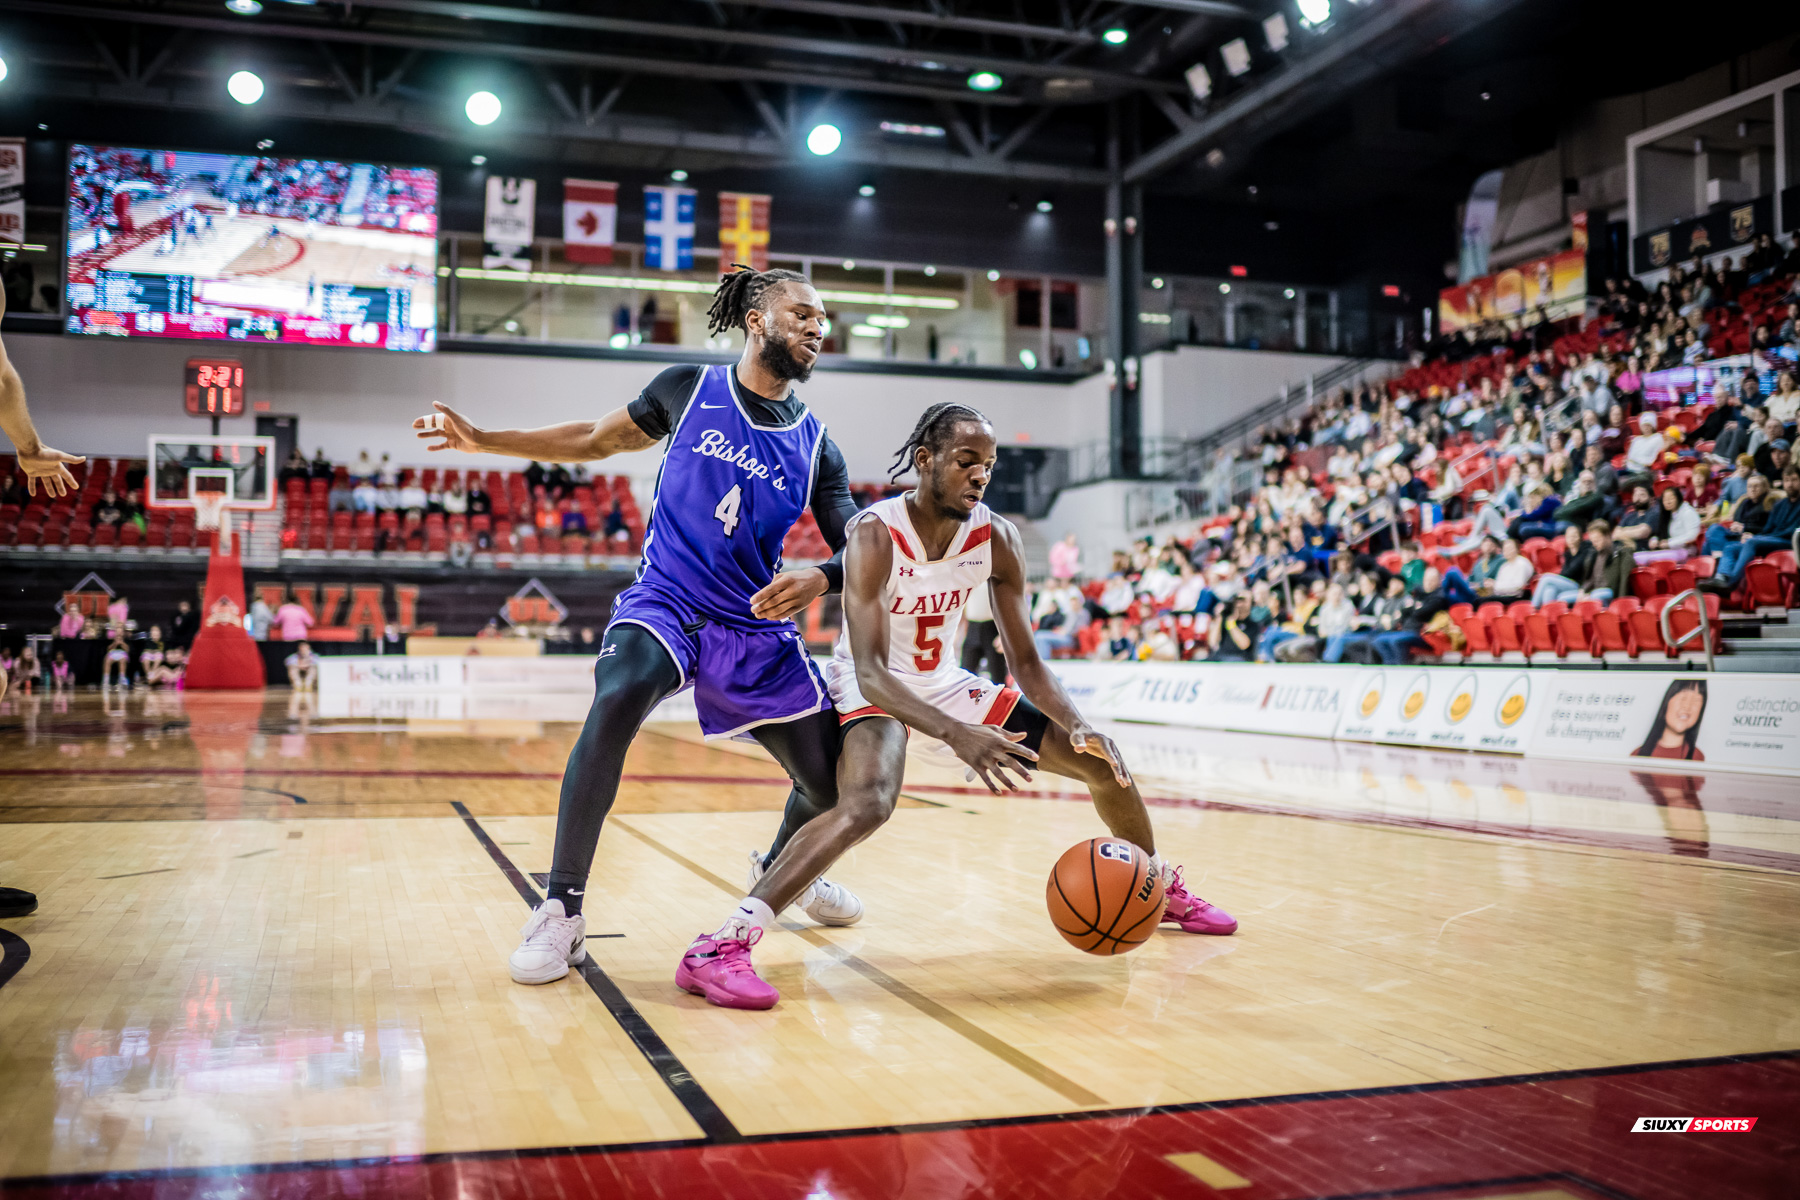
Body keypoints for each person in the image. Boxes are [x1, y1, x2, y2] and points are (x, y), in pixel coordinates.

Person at [676, 404, 1236, 1009]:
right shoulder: (873, 532)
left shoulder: (997, 537)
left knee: (1103, 764)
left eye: (988, 467)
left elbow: (1024, 662)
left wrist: (1078, 724)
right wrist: (957, 735)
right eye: (967, 461)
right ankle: (724, 943)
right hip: (877, 686)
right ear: (926, 460)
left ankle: (1159, 883)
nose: (979, 476)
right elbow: (869, 670)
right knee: (869, 803)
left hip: (945, 680)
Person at [416, 265, 866, 987]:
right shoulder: (689, 390)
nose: (817, 327)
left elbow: (860, 545)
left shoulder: (819, 447)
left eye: (823, 319)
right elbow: (594, 440)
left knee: (833, 784)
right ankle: (560, 911)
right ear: (756, 318)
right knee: (620, 691)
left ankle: (789, 868)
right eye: (802, 314)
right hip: (669, 600)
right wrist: (482, 442)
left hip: (751, 624)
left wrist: (824, 575)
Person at [1632, 679, 1707, 762]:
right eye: (1683, 698)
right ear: (1666, 703)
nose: (1687, 706)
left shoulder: (1696, 757)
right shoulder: (1638, 754)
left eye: (1696, 700)